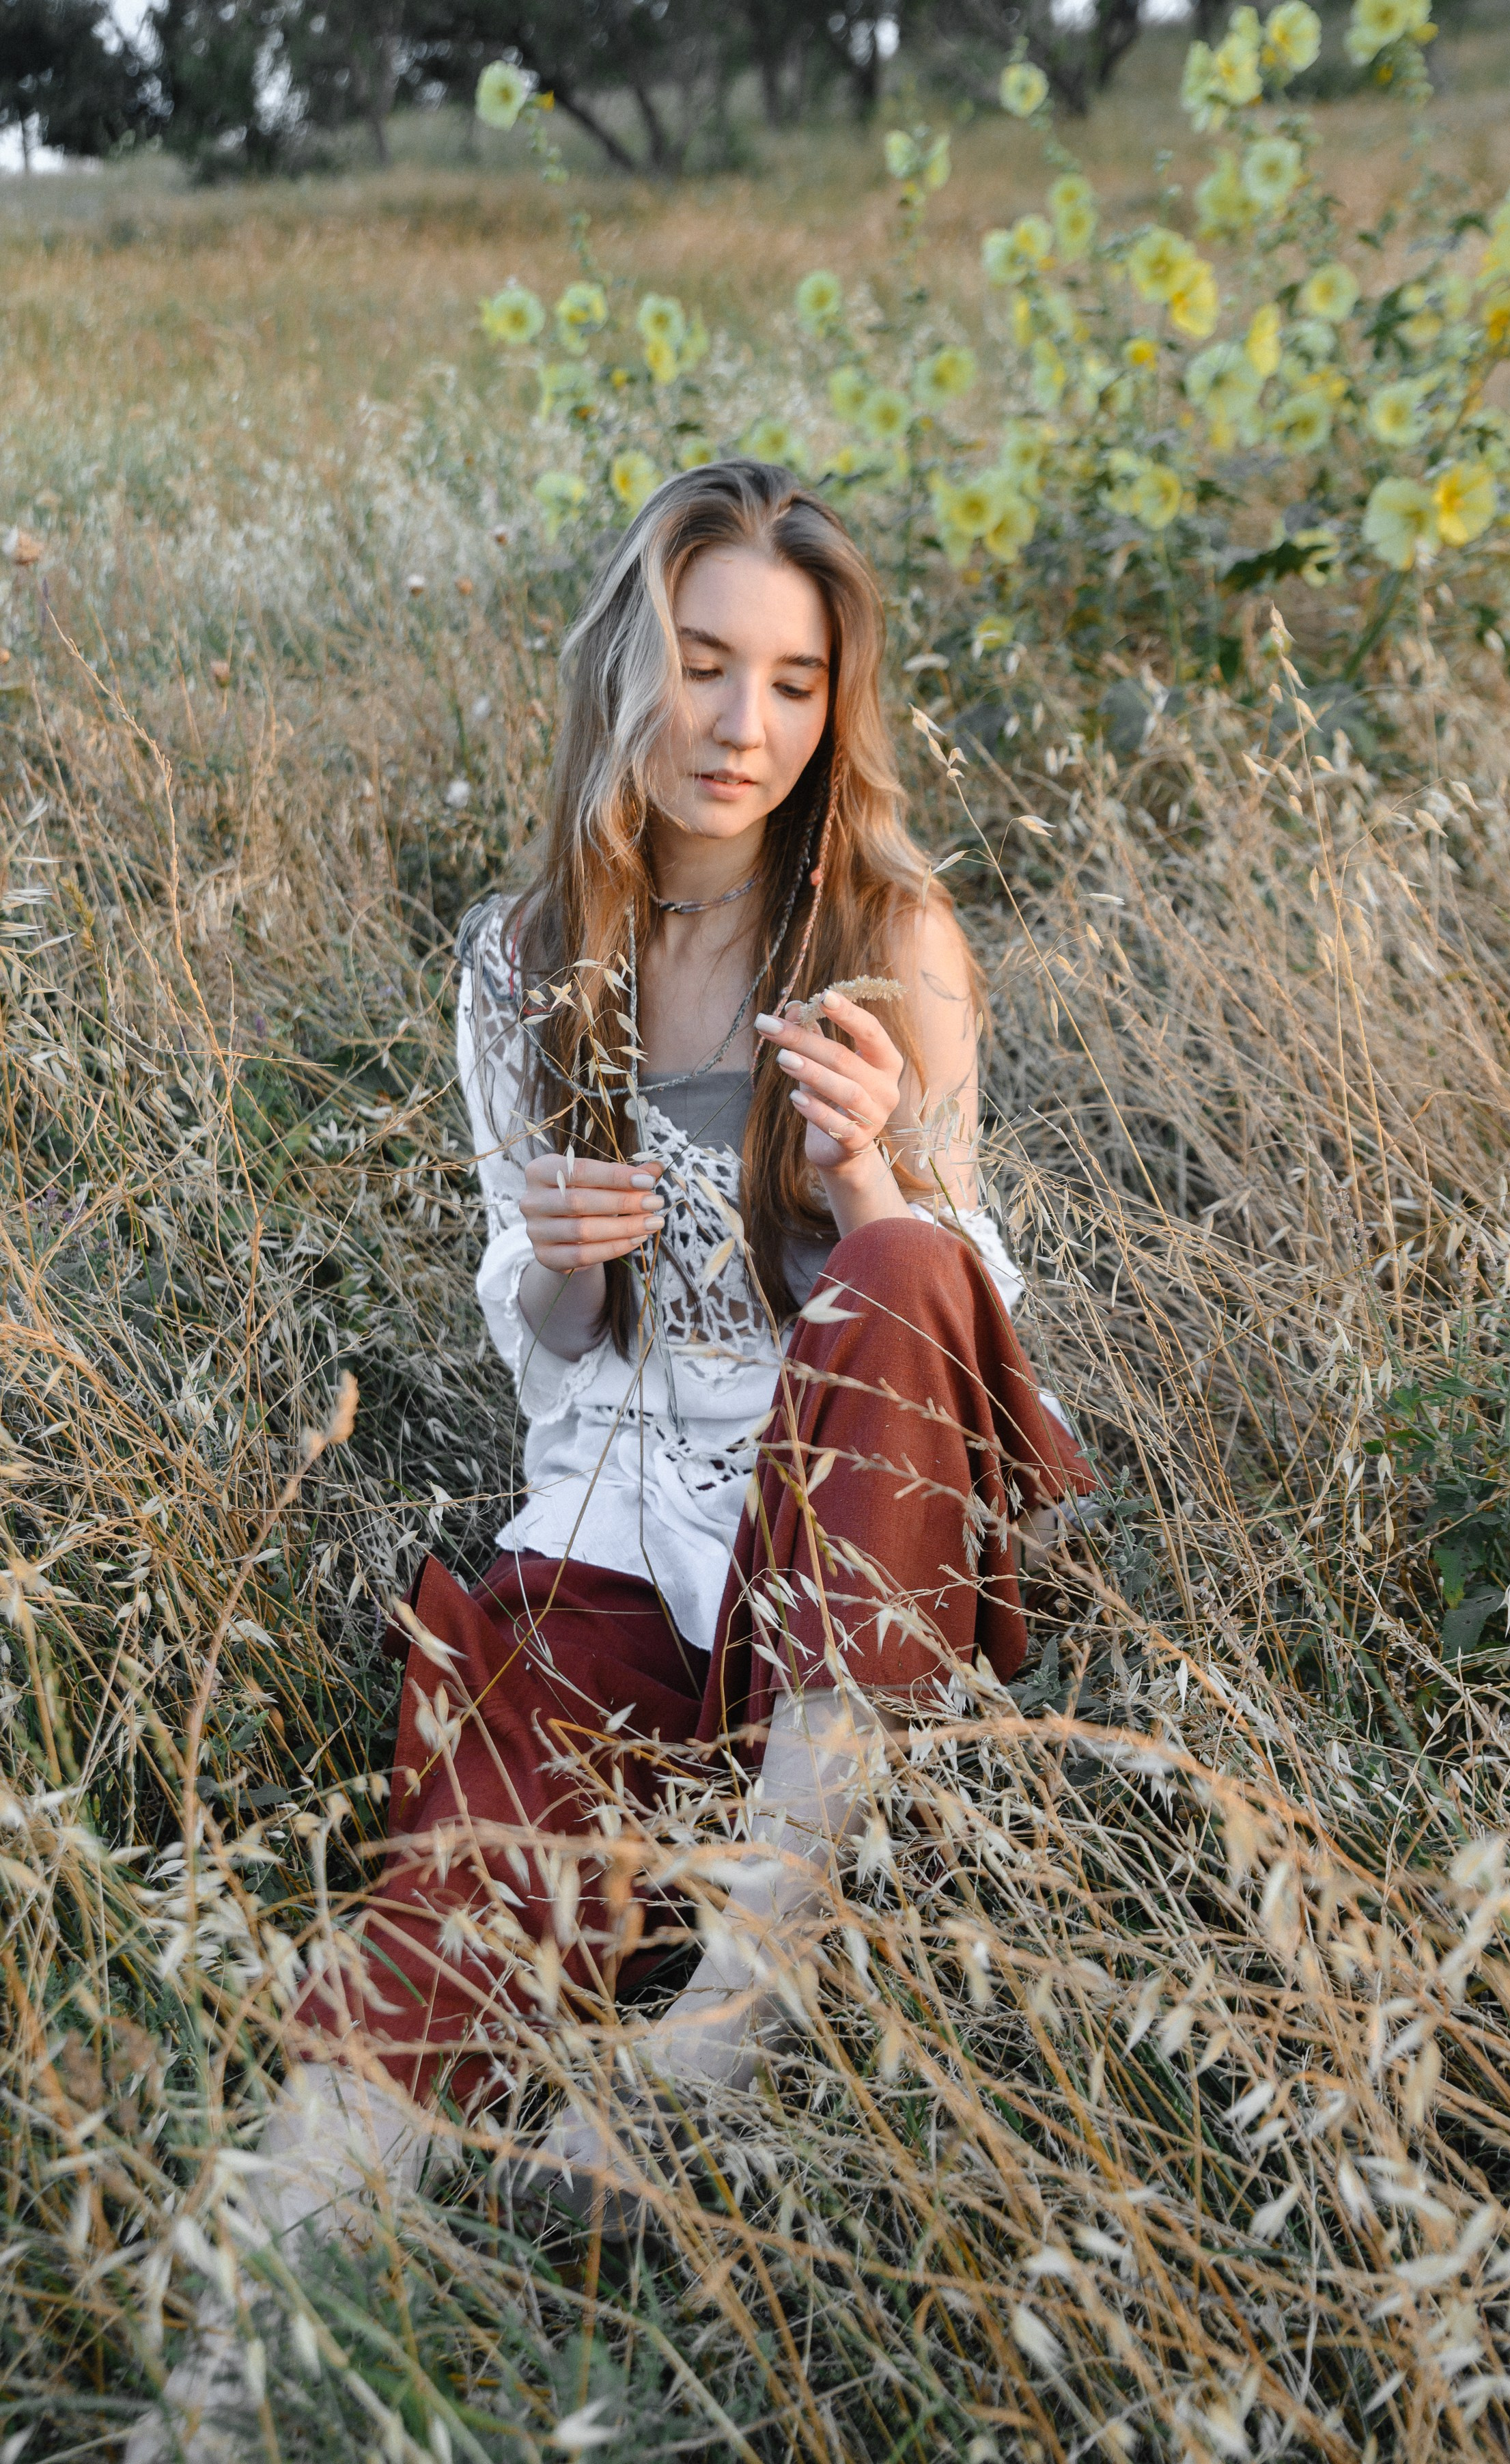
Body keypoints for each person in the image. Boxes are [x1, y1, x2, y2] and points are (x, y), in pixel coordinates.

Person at [127, 460, 1089, 2461]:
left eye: (798, 684)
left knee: (909, 1255)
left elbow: (961, 1305)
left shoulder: (892, 934)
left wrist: (871, 1175)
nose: (745, 728)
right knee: (446, 1923)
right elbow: (565, 1374)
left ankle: (730, 2014)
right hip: (615, 1544)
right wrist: (549, 1269)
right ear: (623, 672)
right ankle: (221, 2364)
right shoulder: (516, 959)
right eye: (705, 666)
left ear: (841, 709)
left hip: (851, 1553)